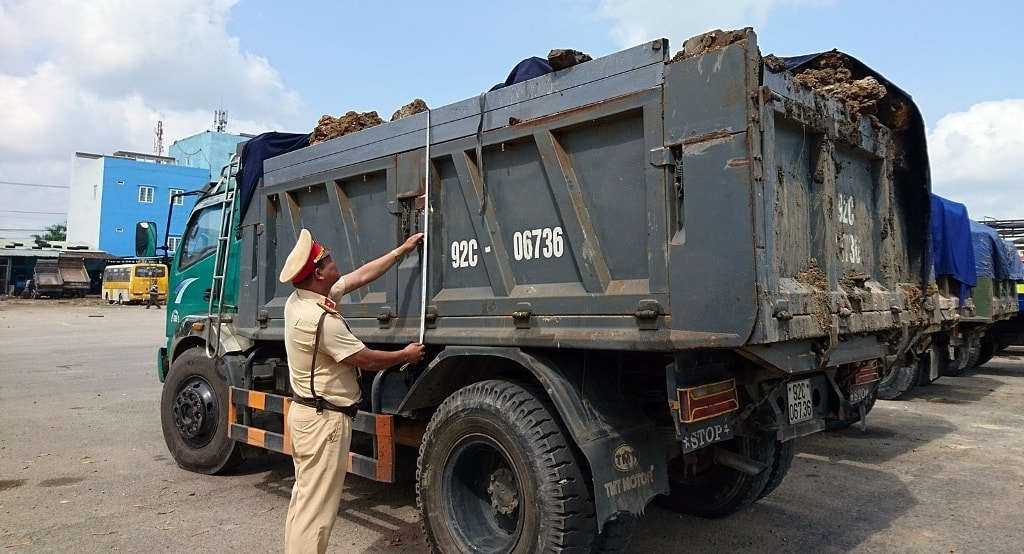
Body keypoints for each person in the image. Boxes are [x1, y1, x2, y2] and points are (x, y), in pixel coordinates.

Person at [280, 228, 426, 554]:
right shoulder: (320, 320)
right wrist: (406, 355)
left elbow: (359, 276)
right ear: (318, 273)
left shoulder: (301, 299)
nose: (335, 263)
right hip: (324, 422)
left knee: (305, 500)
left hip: (310, 415)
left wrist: (400, 250)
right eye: (328, 260)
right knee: (317, 512)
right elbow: (365, 359)